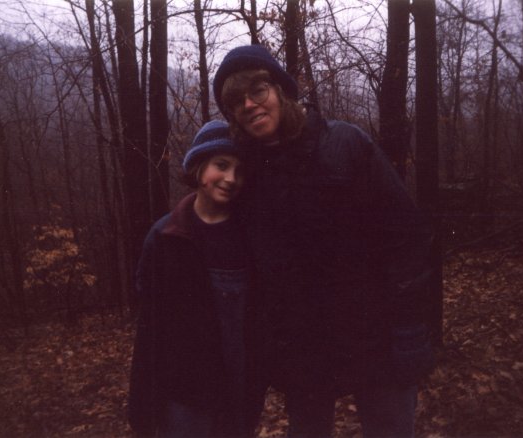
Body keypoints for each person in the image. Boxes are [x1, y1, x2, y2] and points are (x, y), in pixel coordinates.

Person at [213, 44, 435, 438]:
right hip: (304, 352)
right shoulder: (248, 176)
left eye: (257, 91)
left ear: (281, 91)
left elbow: (407, 240)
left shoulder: (344, 145)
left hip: (376, 338)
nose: (248, 104)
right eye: (236, 101)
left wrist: (410, 334)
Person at [127, 120, 263, 437]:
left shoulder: (250, 236)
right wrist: (145, 402)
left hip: (237, 390)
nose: (231, 178)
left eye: (240, 171)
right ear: (199, 168)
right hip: (183, 396)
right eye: (221, 165)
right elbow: (151, 327)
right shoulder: (165, 236)